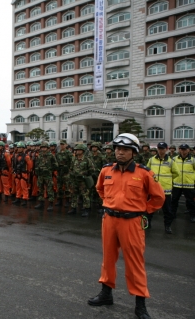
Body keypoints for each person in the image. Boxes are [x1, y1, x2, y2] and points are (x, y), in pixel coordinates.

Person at [88, 133, 165, 319]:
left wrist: (142, 210)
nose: (120, 153)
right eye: (118, 149)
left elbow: (158, 197)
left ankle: (140, 304)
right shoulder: (106, 171)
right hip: (109, 220)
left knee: (135, 263)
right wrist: (110, 203)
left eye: (125, 150)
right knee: (108, 259)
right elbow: (100, 189)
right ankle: (106, 294)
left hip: (132, 222)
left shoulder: (144, 173)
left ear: (134, 152)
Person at [146, 142, 180, 234]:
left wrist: (168, 179)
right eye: (159, 148)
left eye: (163, 148)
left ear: (166, 149)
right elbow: (147, 172)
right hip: (153, 189)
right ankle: (148, 223)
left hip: (166, 190)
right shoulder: (152, 160)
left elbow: (176, 173)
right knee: (149, 208)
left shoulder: (171, 161)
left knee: (167, 210)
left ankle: (167, 226)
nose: (161, 150)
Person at [68, 144, 96, 217]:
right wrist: (71, 175)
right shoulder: (74, 159)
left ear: (82, 151)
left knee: (85, 195)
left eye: (78, 150)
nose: (76, 151)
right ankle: (73, 208)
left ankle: (86, 209)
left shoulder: (87, 159)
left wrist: (84, 174)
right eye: (76, 150)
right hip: (75, 180)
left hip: (83, 181)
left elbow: (92, 170)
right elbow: (71, 168)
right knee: (74, 194)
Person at [171, 143, 195, 223]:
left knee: (191, 201)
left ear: (188, 150)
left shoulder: (193, 160)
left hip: (189, 184)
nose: (183, 151)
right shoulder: (174, 159)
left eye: (185, 149)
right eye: (181, 149)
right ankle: (172, 214)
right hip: (177, 184)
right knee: (174, 200)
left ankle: (192, 215)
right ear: (179, 150)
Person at [33, 142, 58, 210]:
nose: (43, 149)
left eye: (45, 147)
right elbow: (37, 164)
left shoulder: (51, 155)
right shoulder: (39, 155)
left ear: (47, 148)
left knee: (50, 189)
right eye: (42, 147)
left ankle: (50, 204)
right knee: (40, 189)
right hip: (41, 175)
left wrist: (49, 169)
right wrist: (37, 169)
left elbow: (55, 165)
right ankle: (41, 203)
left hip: (48, 175)